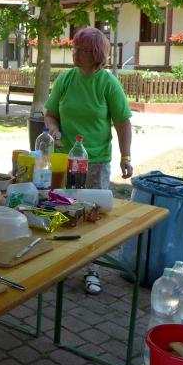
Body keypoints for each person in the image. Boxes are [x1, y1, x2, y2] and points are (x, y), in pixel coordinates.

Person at [44, 27, 132, 294]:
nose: (76, 54)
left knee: (93, 214)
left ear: (96, 54)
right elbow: (50, 114)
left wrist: (125, 157)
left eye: (82, 50)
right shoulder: (65, 79)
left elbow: (122, 122)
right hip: (65, 158)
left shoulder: (107, 83)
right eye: (75, 48)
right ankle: (63, 262)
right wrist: (54, 130)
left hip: (95, 161)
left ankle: (92, 269)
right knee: (62, 209)